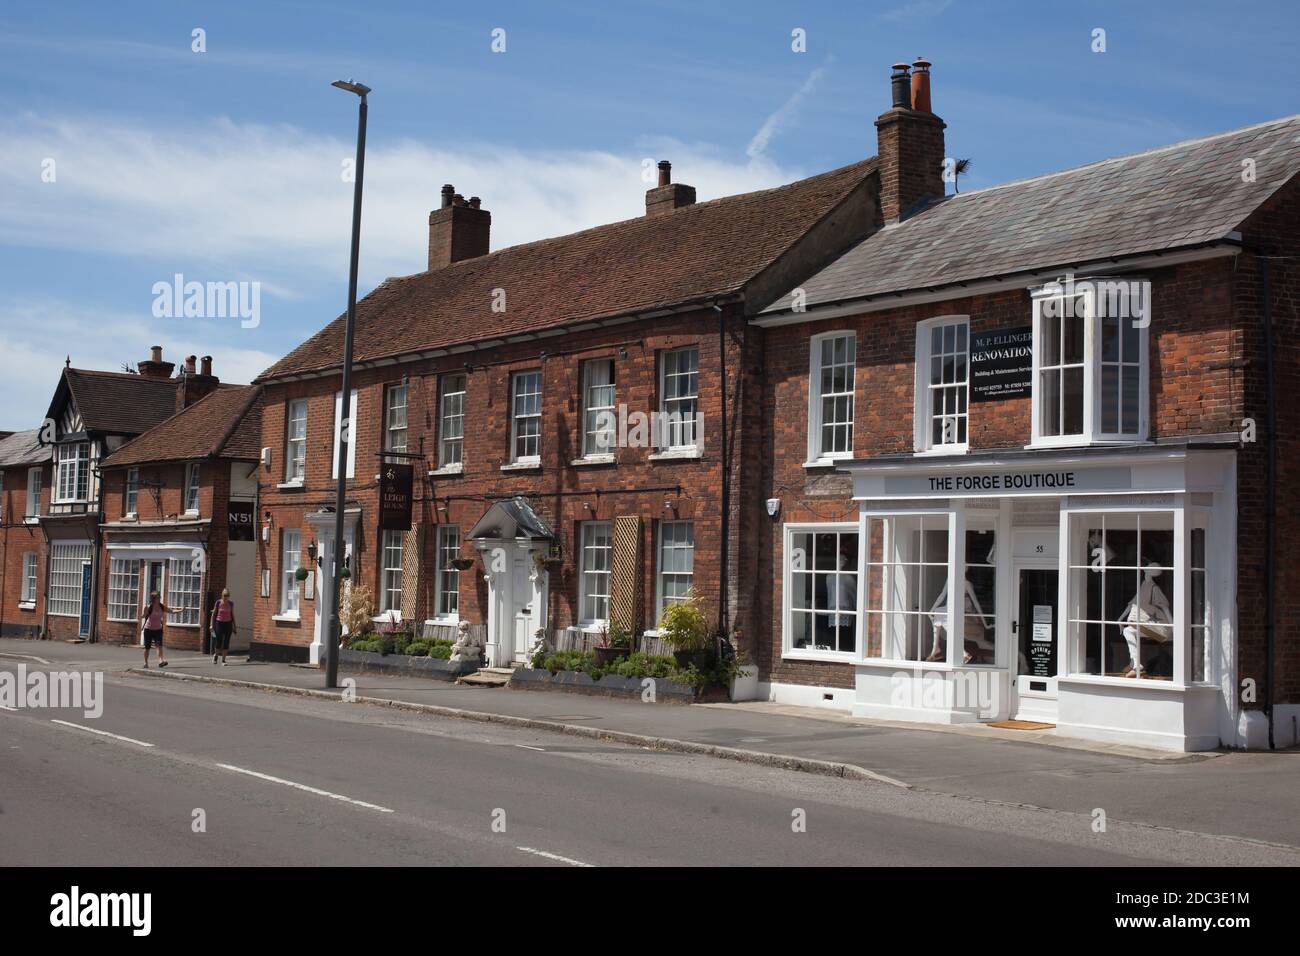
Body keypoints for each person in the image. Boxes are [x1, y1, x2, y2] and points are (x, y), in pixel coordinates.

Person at [140, 591, 169, 668]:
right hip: (148, 629)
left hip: (158, 629)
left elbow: (171, 611)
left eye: (160, 597)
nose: (160, 598)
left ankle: (160, 661)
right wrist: (144, 612)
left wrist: (180, 610)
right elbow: (143, 616)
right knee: (147, 648)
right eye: (158, 597)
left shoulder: (161, 606)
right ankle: (145, 663)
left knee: (159, 645)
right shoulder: (149, 607)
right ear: (154, 599)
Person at [210, 588, 236, 665]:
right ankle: (216, 656)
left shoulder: (231, 604)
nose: (226, 597)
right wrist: (211, 625)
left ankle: (223, 660)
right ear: (222, 595)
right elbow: (213, 614)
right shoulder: (218, 603)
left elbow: (232, 615)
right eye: (225, 595)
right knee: (219, 641)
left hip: (228, 623)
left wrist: (235, 626)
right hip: (219, 623)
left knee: (226, 642)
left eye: (227, 595)